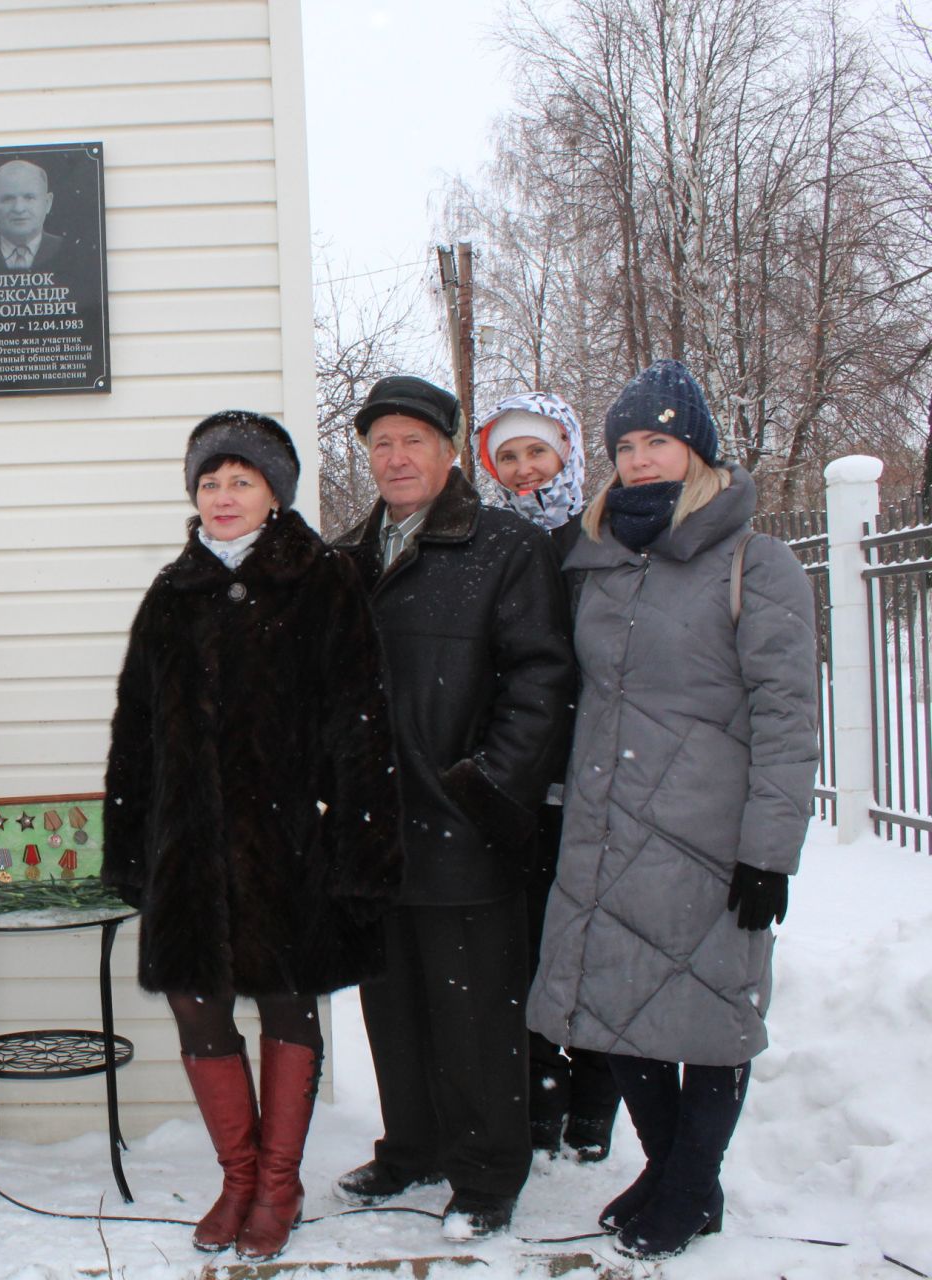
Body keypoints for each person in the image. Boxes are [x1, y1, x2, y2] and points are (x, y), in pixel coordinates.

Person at [527, 360, 817, 1261]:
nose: (641, 459)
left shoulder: (755, 565)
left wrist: (769, 852)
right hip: (608, 828)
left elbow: (787, 718)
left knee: (714, 1016)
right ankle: (671, 1172)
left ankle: (690, 1185)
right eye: (625, 445)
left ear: (696, 449)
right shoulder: (598, 562)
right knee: (619, 1011)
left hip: (709, 836)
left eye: (658, 440)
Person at [103, 411, 404, 1262]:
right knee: (197, 1004)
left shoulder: (325, 580)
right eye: (209, 482)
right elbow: (137, 733)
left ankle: (280, 1185)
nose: (223, 496)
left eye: (241, 480)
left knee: (284, 999)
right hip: (189, 848)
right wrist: (132, 850)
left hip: (290, 844)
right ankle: (237, 1179)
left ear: (275, 493)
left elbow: (361, 720)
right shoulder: (173, 591)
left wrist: (358, 841)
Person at [332, 376, 575, 1241]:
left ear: (446, 450)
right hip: (371, 829)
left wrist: (484, 789)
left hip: (460, 824)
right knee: (391, 1003)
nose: (395, 458)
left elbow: (542, 682)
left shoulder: (502, 545)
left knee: (475, 1013)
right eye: (380, 445)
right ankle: (412, 1147)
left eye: (412, 441)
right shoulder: (349, 557)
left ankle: (485, 1172)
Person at [475, 392, 622, 1161]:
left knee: (594, 944)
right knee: (524, 945)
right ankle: (539, 1089)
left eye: (537, 451)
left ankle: (597, 1093)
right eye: (508, 456)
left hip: (598, 777)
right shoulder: (489, 541)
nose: (525, 468)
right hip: (523, 780)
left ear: (566, 449)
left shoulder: (600, 536)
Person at [0, 158, 64, 271]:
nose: (19, 208)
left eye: (29, 198)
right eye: (8, 199)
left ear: (47, 203)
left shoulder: (69, 252)